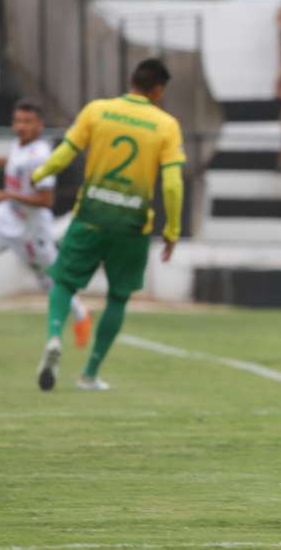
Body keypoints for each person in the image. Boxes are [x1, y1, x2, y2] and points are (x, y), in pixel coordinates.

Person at [30, 59, 185, 392]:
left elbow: (64, 154)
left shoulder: (97, 111)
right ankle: (89, 373)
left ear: (131, 80)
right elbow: (172, 184)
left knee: (64, 282)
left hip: (91, 215)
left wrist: (38, 175)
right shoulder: (166, 125)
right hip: (132, 225)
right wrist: (172, 231)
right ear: (158, 90)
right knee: (118, 297)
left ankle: (55, 336)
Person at [0, 102, 92, 344]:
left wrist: (6, 195)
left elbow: (46, 200)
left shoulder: (42, 157)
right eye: (17, 121)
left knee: (49, 281)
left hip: (31, 228)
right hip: (5, 217)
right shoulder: (19, 145)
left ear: (40, 125)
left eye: (27, 121)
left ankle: (81, 315)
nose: (20, 126)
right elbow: (12, 163)